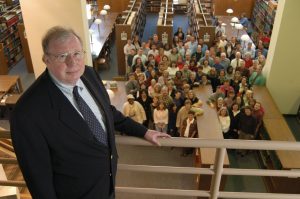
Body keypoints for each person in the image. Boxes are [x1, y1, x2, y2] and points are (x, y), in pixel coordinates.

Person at [10, 26, 170, 199]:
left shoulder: (89, 74)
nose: (72, 62)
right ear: (46, 59)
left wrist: (144, 131)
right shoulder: (27, 113)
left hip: (107, 185)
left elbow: (107, 112)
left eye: (77, 53)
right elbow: (39, 180)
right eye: (62, 56)